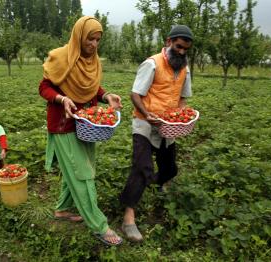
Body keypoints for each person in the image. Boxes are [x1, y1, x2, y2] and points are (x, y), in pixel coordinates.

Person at [39, 16, 123, 246]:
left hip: (87, 125)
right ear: (79, 36)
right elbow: (44, 87)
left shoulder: (92, 62)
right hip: (63, 125)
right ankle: (99, 225)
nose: (94, 45)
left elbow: (92, 89)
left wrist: (106, 96)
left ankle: (63, 209)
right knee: (82, 174)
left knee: (78, 169)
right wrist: (61, 98)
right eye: (90, 39)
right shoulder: (61, 57)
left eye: (98, 40)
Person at [119, 25, 194, 242]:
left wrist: (178, 115)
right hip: (144, 122)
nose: (181, 52)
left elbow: (183, 98)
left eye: (185, 49)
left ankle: (156, 182)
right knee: (142, 166)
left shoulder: (184, 69)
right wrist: (147, 113)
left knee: (170, 168)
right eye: (178, 47)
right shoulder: (152, 64)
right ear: (169, 41)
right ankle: (128, 217)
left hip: (167, 125)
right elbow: (135, 94)